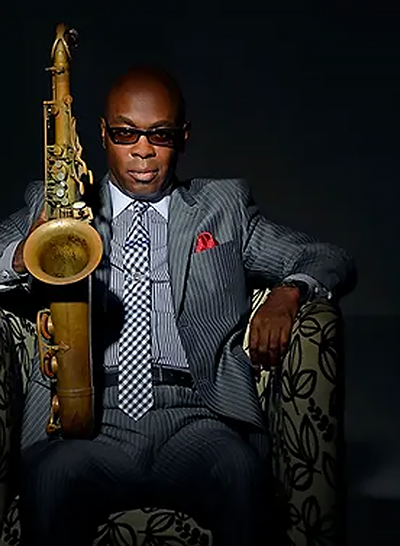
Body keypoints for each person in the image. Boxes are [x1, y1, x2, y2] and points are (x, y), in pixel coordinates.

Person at [0, 65, 356, 546]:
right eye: (126, 133)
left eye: (159, 135)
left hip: (198, 417)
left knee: (242, 478)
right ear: (103, 135)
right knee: (49, 484)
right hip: (87, 424)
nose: (142, 150)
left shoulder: (223, 206)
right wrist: (28, 250)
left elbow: (328, 257)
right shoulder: (58, 205)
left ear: (182, 138)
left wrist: (289, 291)